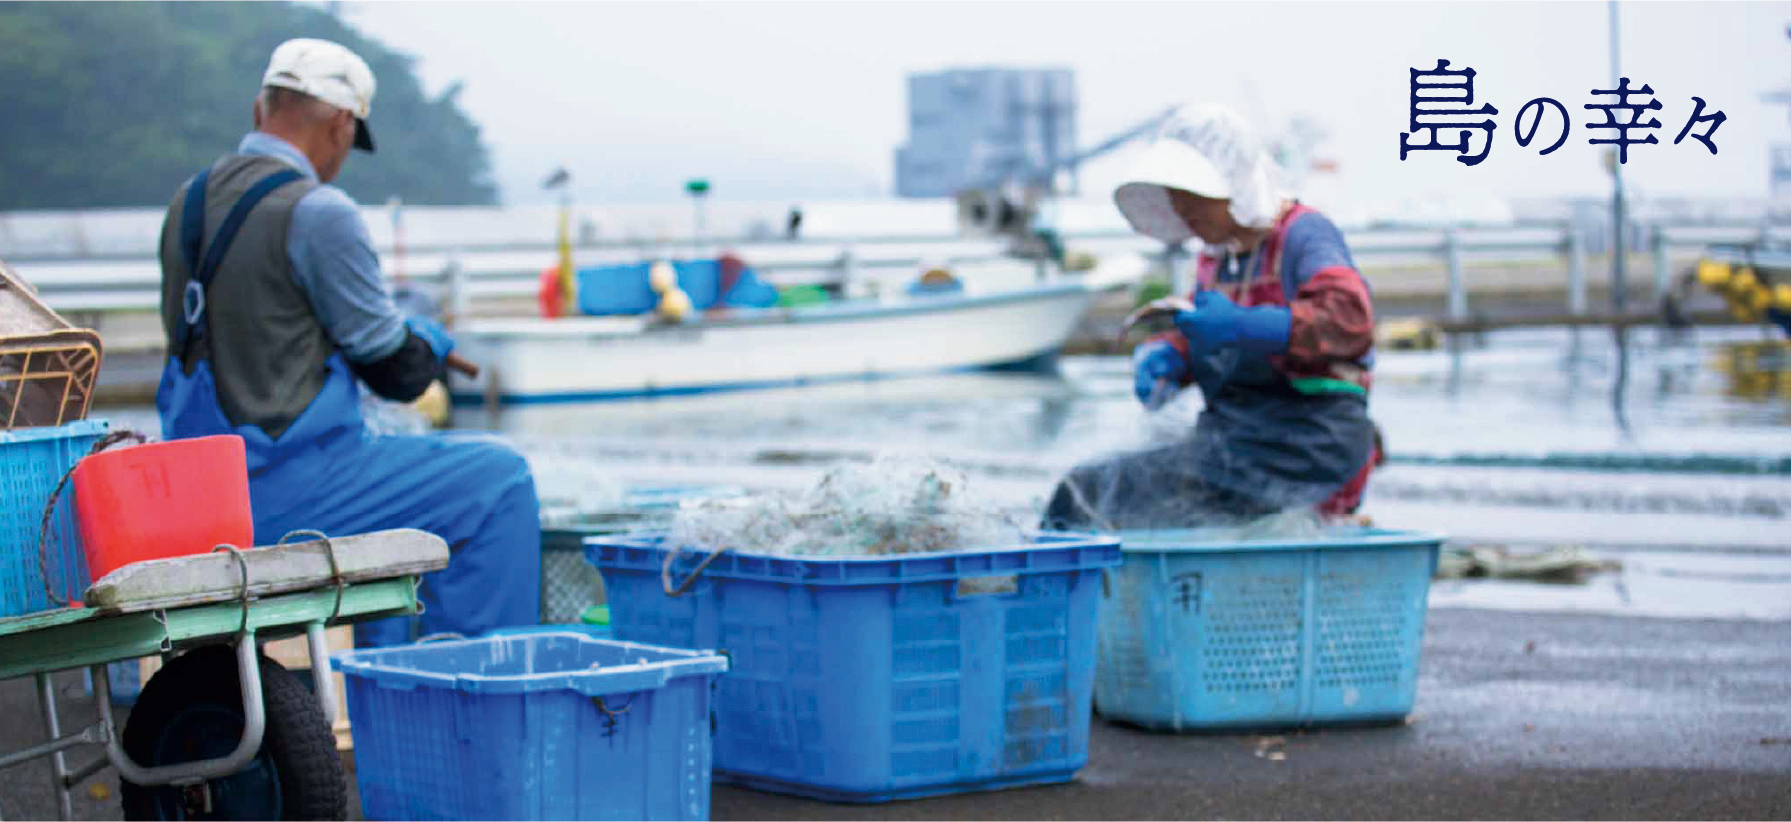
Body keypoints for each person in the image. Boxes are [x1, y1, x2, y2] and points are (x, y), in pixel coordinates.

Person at [156, 38, 540, 647]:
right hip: (283, 484)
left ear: (261, 109)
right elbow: (394, 372)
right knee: (499, 480)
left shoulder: (188, 202)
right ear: (340, 123)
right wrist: (429, 346)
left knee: (389, 506)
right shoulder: (319, 211)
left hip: (199, 488)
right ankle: (475, 692)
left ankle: (373, 687)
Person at [1042, 104, 1381, 531]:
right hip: (1234, 443)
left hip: (1307, 446)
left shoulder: (1303, 235)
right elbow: (1201, 327)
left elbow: (1348, 321)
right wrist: (1170, 355)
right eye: (1178, 200)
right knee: (1090, 490)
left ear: (1234, 185)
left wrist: (1242, 325)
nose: (1185, 212)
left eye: (1195, 198)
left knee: (1104, 493)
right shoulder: (1215, 258)